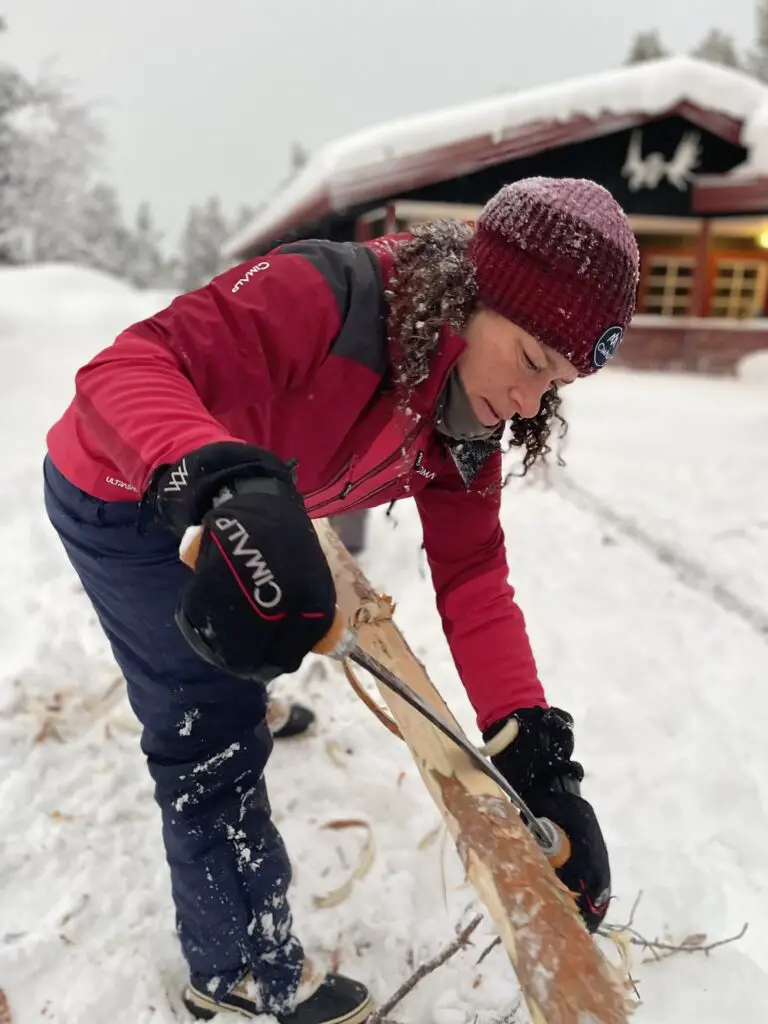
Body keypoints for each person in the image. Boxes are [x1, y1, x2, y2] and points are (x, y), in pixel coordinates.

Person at [43, 176, 639, 1022]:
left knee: (258, 631)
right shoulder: (328, 297)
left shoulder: (461, 415)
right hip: (120, 494)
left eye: (558, 387)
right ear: (470, 295)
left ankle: (248, 687)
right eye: (533, 361)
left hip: (237, 499)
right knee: (207, 725)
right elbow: (122, 371)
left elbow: (472, 575)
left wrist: (536, 754)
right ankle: (238, 973)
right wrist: (223, 479)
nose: (528, 402)